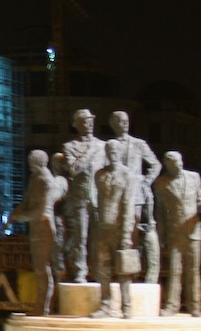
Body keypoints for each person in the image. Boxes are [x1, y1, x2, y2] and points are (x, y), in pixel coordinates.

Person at [153, 151, 201, 317]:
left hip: (193, 230)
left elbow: (199, 202)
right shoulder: (160, 183)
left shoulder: (194, 177)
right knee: (174, 271)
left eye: (181, 163)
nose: (180, 166)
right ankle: (171, 306)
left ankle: (195, 307)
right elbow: (160, 213)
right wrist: (161, 236)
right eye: (175, 165)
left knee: (193, 271)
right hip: (174, 232)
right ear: (168, 165)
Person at [10, 150, 68, 315]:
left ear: (36, 162)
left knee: (43, 268)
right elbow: (27, 203)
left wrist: (20, 217)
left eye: (31, 161)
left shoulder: (45, 181)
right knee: (39, 268)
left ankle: (44, 306)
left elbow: (41, 211)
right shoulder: (35, 179)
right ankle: (41, 304)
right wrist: (14, 215)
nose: (29, 164)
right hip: (36, 228)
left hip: (44, 227)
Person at [107, 110, 162, 283]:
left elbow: (155, 165)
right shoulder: (108, 145)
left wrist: (145, 182)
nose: (124, 124)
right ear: (113, 124)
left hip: (135, 194)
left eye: (126, 121)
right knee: (115, 230)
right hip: (114, 193)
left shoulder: (139, 144)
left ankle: (133, 272)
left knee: (133, 231)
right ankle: (118, 270)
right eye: (120, 122)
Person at [89, 139, 136, 318]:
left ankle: (126, 306)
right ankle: (106, 304)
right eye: (109, 151)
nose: (112, 154)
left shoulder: (127, 175)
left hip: (118, 227)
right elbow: (97, 201)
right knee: (102, 268)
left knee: (123, 268)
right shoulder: (99, 175)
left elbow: (128, 204)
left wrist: (126, 234)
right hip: (102, 228)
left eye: (116, 151)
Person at [59, 109, 104, 283]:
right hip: (80, 198)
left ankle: (99, 271)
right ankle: (80, 271)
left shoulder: (103, 145)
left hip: (99, 198)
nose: (89, 124)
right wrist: (90, 152)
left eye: (91, 120)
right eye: (85, 121)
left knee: (99, 238)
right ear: (77, 125)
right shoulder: (70, 146)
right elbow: (73, 169)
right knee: (80, 238)